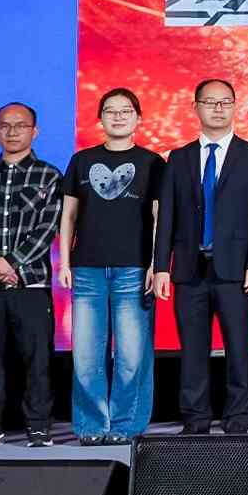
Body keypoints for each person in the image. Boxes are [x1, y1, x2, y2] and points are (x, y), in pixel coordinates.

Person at [152, 78, 248, 436]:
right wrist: (161, 267)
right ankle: (196, 419)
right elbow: (167, 216)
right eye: (210, 102)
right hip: (189, 270)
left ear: (234, 107)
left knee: (239, 348)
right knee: (192, 350)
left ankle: (238, 419)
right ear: (196, 108)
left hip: (236, 270)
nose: (218, 109)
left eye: (225, 102)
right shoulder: (179, 158)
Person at [0, 101, 63, 448]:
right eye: (5, 125)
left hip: (31, 282)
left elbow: (48, 227)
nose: (12, 131)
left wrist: (13, 262)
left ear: (35, 131)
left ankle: (39, 426)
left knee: (37, 359)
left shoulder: (49, 176)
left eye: (20, 125)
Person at [62, 86, 162, 444]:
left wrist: (156, 264)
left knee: (132, 355)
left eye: (125, 110)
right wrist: (65, 262)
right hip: (87, 269)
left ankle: (126, 426)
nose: (118, 116)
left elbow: (158, 218)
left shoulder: (153, 163)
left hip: (133, 268)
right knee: (86, 354)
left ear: (138, 118)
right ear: (100, 118)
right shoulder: (82, 161)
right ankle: (91, 426)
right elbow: (69, 215)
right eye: (110, 110)